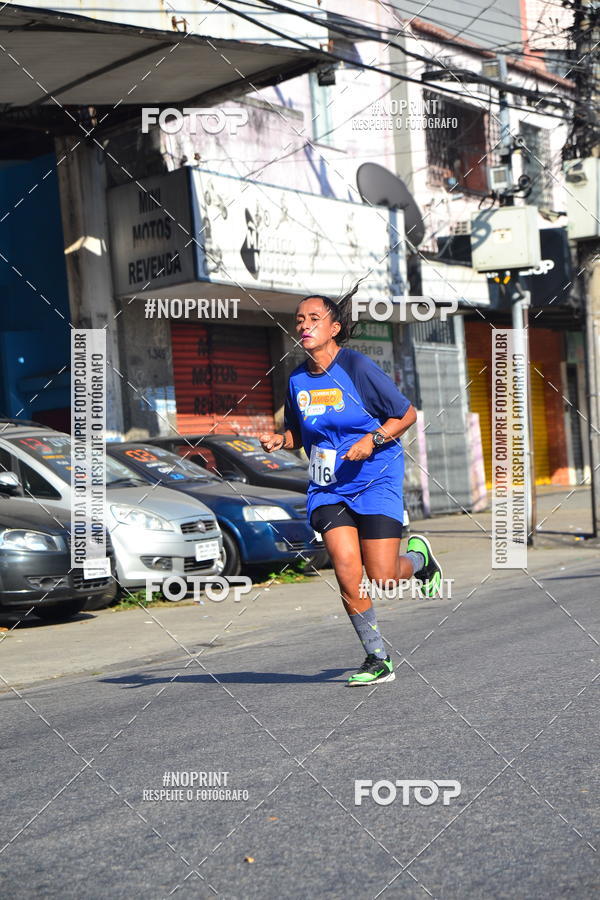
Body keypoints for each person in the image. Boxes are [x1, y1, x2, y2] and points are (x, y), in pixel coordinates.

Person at [259, 289, 442, 686]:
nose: (304, 326)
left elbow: (405, 414)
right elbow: (299, 432)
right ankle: (377, 658)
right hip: (328, 487)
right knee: (346, 570)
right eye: (299, 320)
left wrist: (371, 441)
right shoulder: (296, 379)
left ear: (334, 327)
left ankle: (419, 558)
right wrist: (281, 440)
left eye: (313, 319)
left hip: (375, 480)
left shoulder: (356, 367)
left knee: (384, 576)